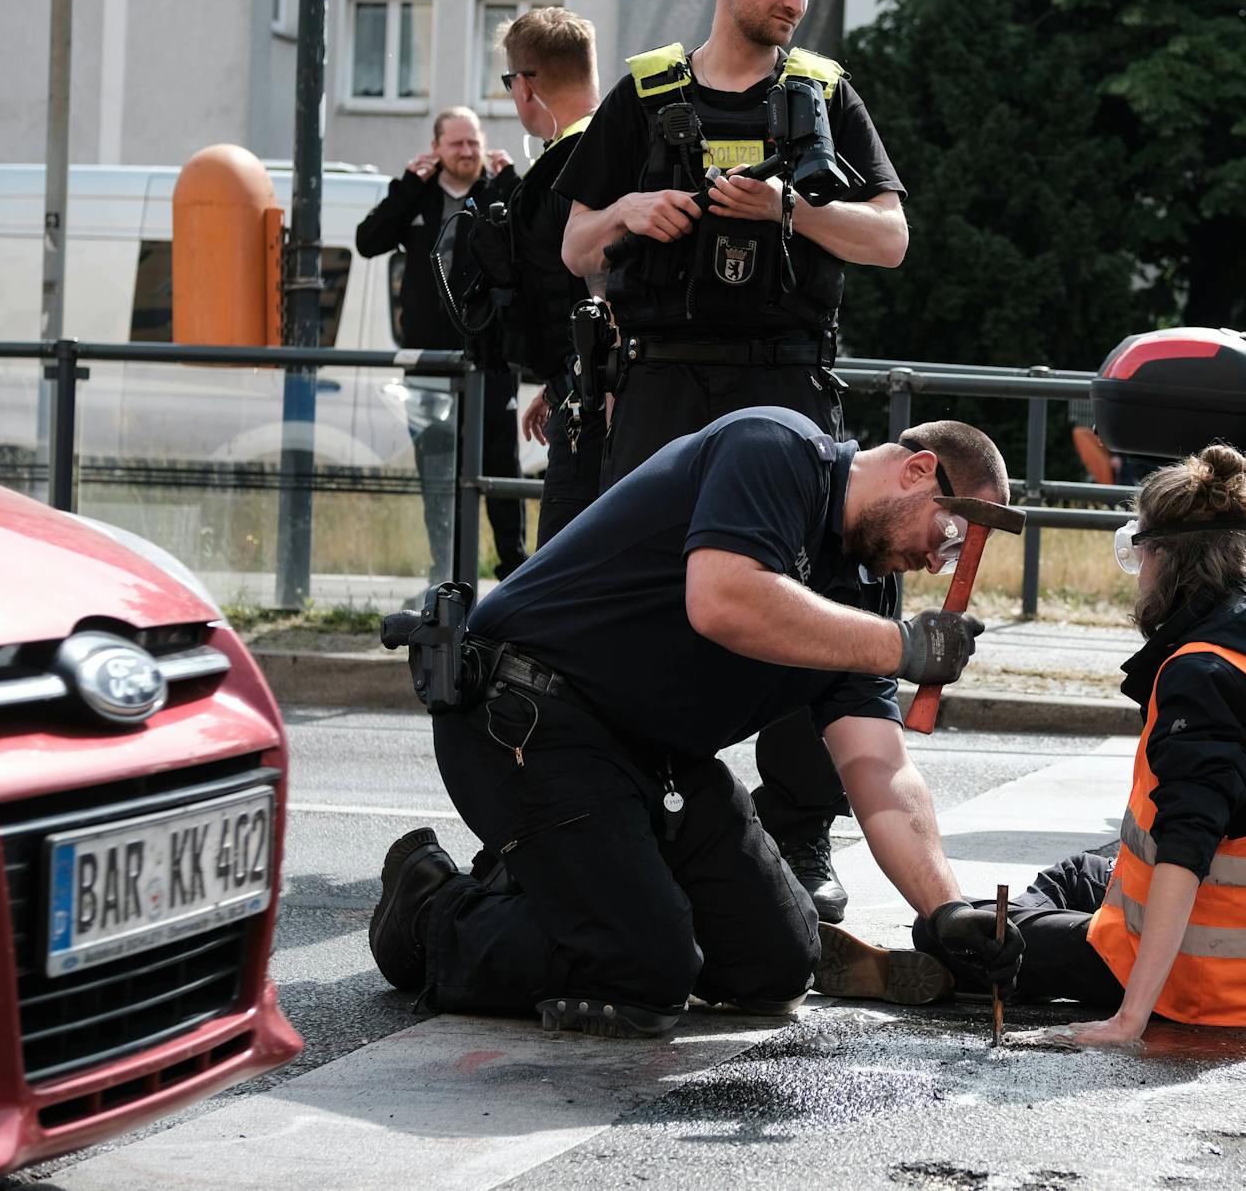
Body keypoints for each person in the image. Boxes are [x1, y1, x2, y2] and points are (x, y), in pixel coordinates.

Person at [367, 409, 1025, 1037]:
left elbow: (879, 766)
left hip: (653, 756)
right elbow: (722, 597)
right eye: (949, 538)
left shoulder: (867, 594)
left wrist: (946, 908)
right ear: (917, 470)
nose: (938, 564)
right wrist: (901, 647)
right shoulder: (776, 450)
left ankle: (584, 887)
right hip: (531, 720)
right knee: (643, 975)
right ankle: (431, 908)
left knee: (777, 969)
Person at [552, 0, 909, 922]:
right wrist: (633, 206)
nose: (794, 1)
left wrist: (791, 207)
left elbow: (889, 237)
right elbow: (575, 242)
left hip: (786, 382)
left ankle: (797, 831)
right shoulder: (645, 91)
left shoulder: (825, 93)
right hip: (662, 386)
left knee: (803, 605)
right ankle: (638, 818)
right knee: (642, 603)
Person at [815, 445, 1246, 1045]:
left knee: (951, 932)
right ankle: (1051, 924)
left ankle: (993, 960)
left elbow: (1185, 853)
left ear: (1164, 556)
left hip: (1211, 979)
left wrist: (1128, 1021)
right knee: (1083, 871)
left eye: (1139, 554)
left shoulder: (1205, 673)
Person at [355, 107, 528, 591]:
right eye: (457, 144)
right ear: (436, 148)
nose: (468, 152)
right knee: (437, 471)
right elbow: (368, 241)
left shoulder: (497, 192)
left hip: (491, 358)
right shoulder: (416, 196)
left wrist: (512, 180)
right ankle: (448, 576)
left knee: (501, 468)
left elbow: (532, 240)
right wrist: (408, 187)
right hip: (430, 362)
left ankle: (514, 573)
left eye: (474, 142)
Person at [489, 7, 607, 546]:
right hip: (588, 386)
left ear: (524, 86)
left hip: (597, 401)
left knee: (560, 570)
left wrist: (588, 380)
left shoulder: (570, 164)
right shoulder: (609, 144)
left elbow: (609, 281)